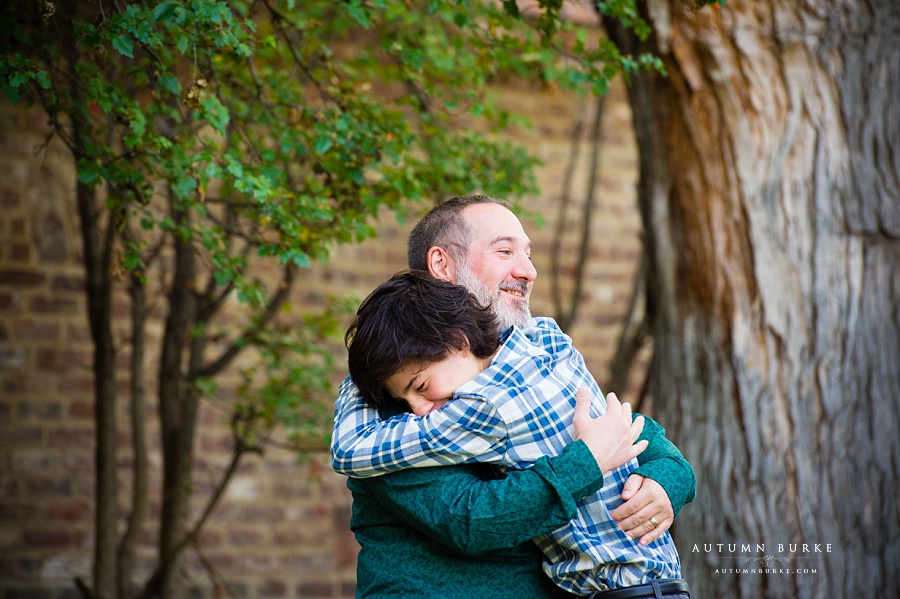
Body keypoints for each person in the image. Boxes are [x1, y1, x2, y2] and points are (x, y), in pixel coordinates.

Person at [331, 195, 695, 598]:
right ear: (442, 265)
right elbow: (471, 521)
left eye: (527, 254)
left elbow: (628, 432)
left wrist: (664, 483)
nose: (528, 271)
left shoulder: (532, 352)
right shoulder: (396, 381)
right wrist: (586, 462)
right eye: (504, 251)